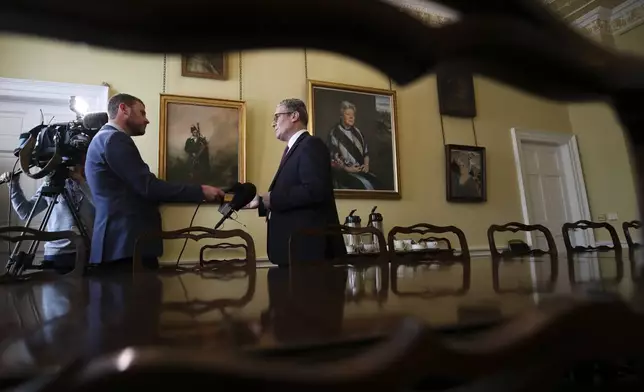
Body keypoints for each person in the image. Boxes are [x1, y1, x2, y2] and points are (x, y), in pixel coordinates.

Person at [85, 93, 224, 270]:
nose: (147, 120)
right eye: (142, 113)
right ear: (124, 109)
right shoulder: (115, 139)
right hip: (126, 247)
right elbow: (148, 187)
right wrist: (200, 191)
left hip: (117, 245)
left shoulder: (102, 139)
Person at [246, 98, 345, 266]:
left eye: (276, 117)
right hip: (295, 252)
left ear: (294, 116)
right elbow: (293, 192)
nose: (273, 123)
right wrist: (261, 201)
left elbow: (315, 191)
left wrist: (272, 198)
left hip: (308, 251)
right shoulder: (295, 148)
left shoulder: (311, 145)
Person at [1, 165, 94, 272]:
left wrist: (80, 181)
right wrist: (14, 185)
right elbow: (25, 212)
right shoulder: (50, 184)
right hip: (56, 253)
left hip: (87, 252)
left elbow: (102, 206)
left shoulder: (92, 183)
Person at [328, 101, 381, 190]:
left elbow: (366, 153)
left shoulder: (358, 132)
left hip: (360, 171)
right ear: (341, 116)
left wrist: (366, 165)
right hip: (344, 173)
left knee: (378, 184)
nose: (351, 117)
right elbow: (333, 160)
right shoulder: (334, 133)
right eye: (348, 114)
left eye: (353, 115)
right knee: (362, 186)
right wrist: (348, 169)